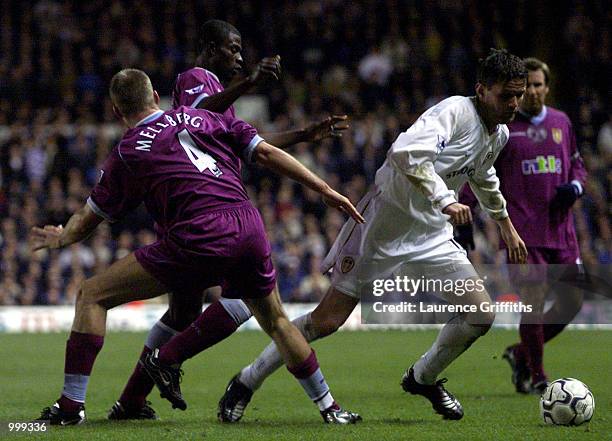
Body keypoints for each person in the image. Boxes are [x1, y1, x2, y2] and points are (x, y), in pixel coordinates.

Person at [213, 48, 529, 423]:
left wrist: (505, 223)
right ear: (481, 90)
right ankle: (246, 381)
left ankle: (423, 378)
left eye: (519, 94)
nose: (513, 103)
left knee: (480, 313)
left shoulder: (500, 133)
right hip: (380, 230)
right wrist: (446, 200)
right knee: (325, 322)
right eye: (505, 95)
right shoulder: (454, 113)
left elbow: (482, 174)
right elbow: (405, 152)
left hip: (430, 236)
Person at [33, 68, 364, 425]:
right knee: (278, 321)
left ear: (116, 112)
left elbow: (90, 215)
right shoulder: (205, 116)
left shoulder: (129, 150)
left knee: (92, 294)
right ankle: (331, 408)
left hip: (198, 233)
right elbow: (266, 154)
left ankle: (71, 408)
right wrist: (327, 191)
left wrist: (63, 236)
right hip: (248, 225)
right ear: (155, 96)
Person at [110, 19, 350, 420]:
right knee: (241, 307)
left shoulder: (219, 92)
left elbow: (243, 140)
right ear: (209, 47)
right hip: (202, 217)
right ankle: (164, 361)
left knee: (183, 313)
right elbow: (194, 115)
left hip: (198, 214)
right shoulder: (196, 77)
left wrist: (302, 135)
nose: (239, 57)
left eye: (240, 50)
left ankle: (132, 399)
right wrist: (250, 82)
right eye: (232, 49)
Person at [459, 58, 587, 394]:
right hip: (522, 235)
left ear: (547, 87)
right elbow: (477, 174)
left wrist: (575, 186)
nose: (532, 91)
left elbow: (578, 166)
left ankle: (521, 354)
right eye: (526, 85)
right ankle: (538, 375)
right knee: (532, 300)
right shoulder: (504, 129)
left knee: (571, 303)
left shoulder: (562, 122)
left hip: (562, 231)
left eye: (538, 85)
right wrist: (465, 211)